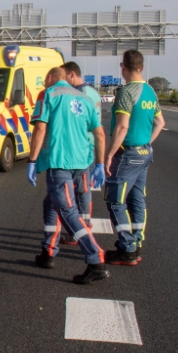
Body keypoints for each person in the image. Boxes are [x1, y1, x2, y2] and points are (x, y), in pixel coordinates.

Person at [28, 67, 108, 284]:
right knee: (51, 204)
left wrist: (32, 160)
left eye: (46, 79)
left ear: (52, 78)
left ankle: (95, 260)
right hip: (83, 163)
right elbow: (99, 133)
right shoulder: (83, 98)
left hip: (60, 163)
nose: (44, 83)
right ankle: (48, 252)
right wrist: (99, 164)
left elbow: (40, 129)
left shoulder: (48, 94)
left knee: (67, 212)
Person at [103, 49, 166, 266]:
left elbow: (122, 127)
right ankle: (136, 241)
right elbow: (160, 123)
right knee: (137, 199)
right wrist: (146, 142)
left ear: (123, 67)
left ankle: (127, 248)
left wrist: (109, 154)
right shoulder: (150, 91)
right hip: (145, 153)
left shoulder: (127, 92)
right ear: (142, 67)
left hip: (127, 154)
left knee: (115, 201)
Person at [61, 61, 102, 231]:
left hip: (80, 147)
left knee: (78, 190)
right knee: (83, 189)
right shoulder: (93, 92)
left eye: (64, 77)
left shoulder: (77, 94)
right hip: (90, 146)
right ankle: (84, 223)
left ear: (72, 74)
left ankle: (80, 227)